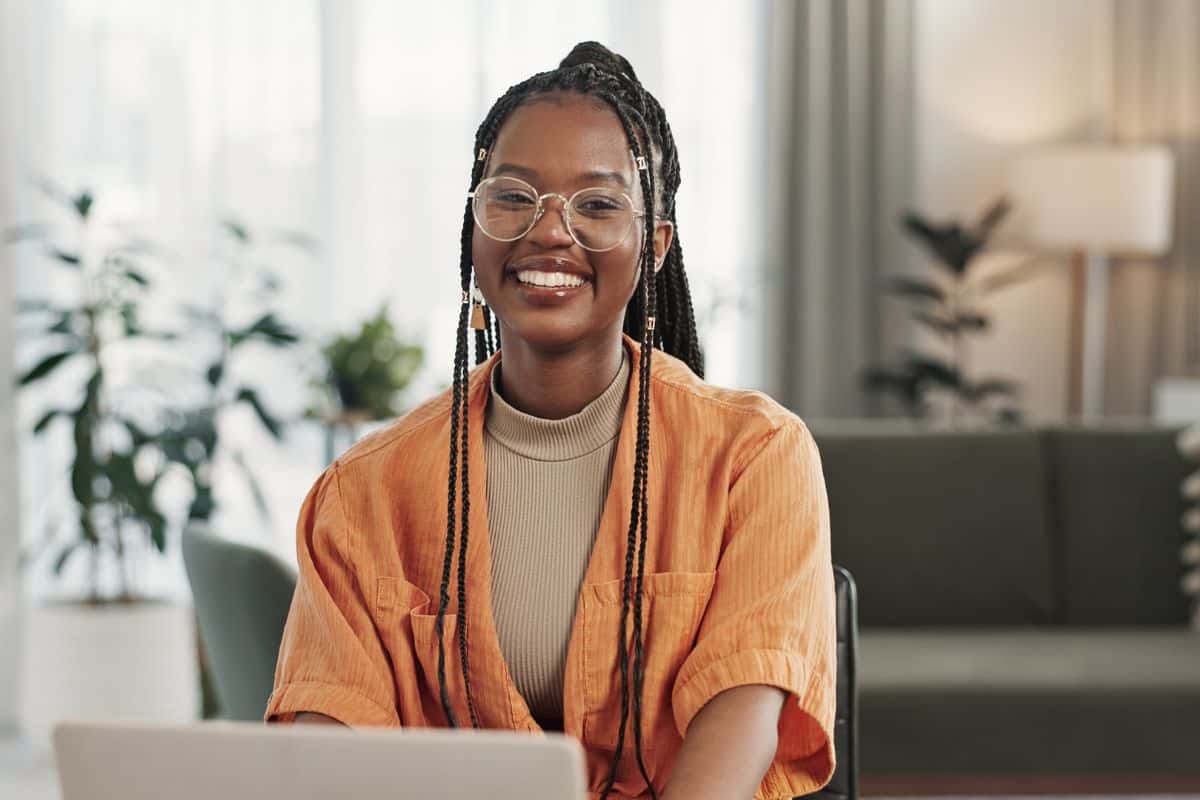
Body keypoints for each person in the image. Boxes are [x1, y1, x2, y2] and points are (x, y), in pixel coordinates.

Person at [266, 41, 837, 800]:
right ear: (475, 225)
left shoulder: (756, 459)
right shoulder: (364, 490)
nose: (549, 231)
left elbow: (739, 721)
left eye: (597, 204)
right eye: (513, 197)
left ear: (653, 244)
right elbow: (328, 743)